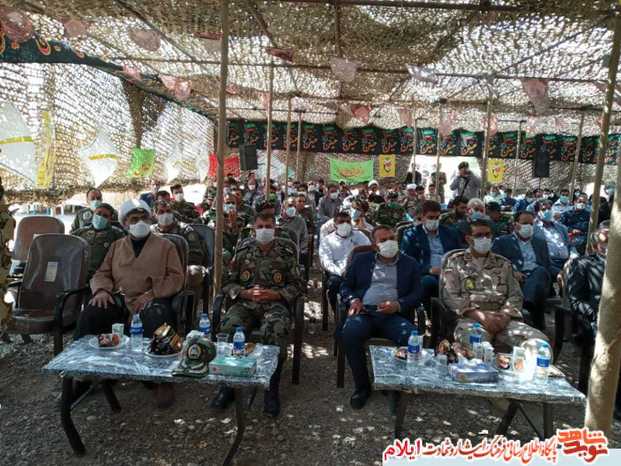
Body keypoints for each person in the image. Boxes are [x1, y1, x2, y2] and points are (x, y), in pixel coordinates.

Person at [76, 199, 185, 407]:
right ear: (125, 223)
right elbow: (102, 273)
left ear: (150, 219)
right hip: (122, 300)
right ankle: (83, 374)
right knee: (93, 310)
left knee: (157, 316)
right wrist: (101, 290)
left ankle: (162, 378)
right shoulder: (117, 246)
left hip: (153, 299)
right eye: (134, 219)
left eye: (143, 218)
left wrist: (153, 293)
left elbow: (176, 278)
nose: (139, 222)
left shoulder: (166, 246)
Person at [210, 213, 303, 416]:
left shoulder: (286, 252)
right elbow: (227, 282)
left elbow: (298, 285)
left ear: (275, 228)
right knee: (228, 328)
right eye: (260, 226)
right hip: (245, 304)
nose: (264, 230)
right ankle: (228, 384)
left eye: (268, 226)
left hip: (275, 304)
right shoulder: (243, 251)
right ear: (253, 229)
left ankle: (271, 388)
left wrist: (276, 294)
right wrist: (244, 293)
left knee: (276, 330)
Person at [340, 225, 422, 409]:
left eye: (392, 238)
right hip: (365, 312)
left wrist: (398, 304)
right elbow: (345, 285)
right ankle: (362, 387)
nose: (389, 242)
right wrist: (353, 300)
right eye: (383, 240)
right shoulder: (361, 260)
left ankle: (396, 384)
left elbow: (417, 293)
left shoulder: (409, 263)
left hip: (393, 315)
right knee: (350, 333)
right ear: (374, 245)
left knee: (412, 337)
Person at [441, 219, 547, 351]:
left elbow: (516, 295)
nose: (484, 238)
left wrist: (505, 315)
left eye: (487, 234)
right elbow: (450, 295)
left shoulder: (503, 263)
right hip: (471, 320)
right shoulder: (456, 262)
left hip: (503, 320)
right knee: (478, 349)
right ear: (468, 239)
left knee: (540, 344)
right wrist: (480, 316)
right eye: (479, 235)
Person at [492, 211, 551, 331]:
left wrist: (562, 272)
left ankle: (527, 303)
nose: (528, 226)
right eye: (524, 223)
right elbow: (495, 263)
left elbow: (547, 265)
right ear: (515, 224)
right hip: (516, 277)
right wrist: (512, 271)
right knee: (538, 288)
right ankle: (537, 324)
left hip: (537, 274)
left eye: (531, 223)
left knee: (540, 271)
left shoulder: (540, 242)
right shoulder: (502, 241)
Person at [400, 200, 461, 308]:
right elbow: (407, 262)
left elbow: (458, 253)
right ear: (422, 217)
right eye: (431, 217)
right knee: (429, 282)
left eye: (437, 217)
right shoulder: (411, 235)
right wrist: (429, 269)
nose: (434, 221)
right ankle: (432, 313)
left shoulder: (450, 233)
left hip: (450, 272)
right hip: (427, 274)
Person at [151, 200, 207, 309]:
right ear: (155, 214)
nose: (165, 214)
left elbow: (196, 256)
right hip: (156, 270)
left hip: (182, 269)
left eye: (168, 211)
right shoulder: (151, 231)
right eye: (161, 212)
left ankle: (188, 310)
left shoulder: (185, 230)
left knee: (194, 273)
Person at [319, 212, 371, 314]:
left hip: (359, 269)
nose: (345, 224)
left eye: (348, 221)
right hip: (338, 272)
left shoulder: (359, 235)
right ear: (335, 225)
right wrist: (340, 272)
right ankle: (337, 313)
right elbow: (326, 261)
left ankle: (365, 308)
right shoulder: (327, 240)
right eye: (341, 222)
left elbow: (369, 251)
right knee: (333, 284)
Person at [72, 203, 126, 280]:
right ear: (93, 214)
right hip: (78, 273)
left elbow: (122, 257)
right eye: (98, 213)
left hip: (101, 276)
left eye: (105, 216)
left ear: (110, 219)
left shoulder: (117, 234)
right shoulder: (81, 231)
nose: (100, 217)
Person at [534, 199, 572, 281]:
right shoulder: (535, 229)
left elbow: (569, 245)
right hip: (549, 263)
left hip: (567, 262)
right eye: (543, 209)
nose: (547, 211)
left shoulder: (561, 227)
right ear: (537, 212)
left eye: (549, 209)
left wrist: (573, 257)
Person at [279, 196, 309, 266]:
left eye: (295, 206)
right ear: (283, 207)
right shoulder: (276, 221)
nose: (292, 208)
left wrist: (299, 250)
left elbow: (304, 239)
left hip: (294, 253)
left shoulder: (300, 221)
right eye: (290, 205)